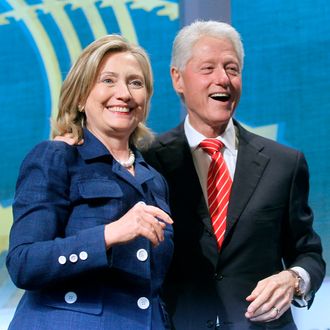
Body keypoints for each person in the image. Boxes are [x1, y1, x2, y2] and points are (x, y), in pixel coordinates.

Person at [142, 20, 325, 329]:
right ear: (177, 79)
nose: (223, 79)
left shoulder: (284, 163)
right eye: (208, 68)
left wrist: (293, 279)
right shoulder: (148, 163)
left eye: (232, 68)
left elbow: (308, 253)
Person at [6, 34, 174, 330]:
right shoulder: (56, 156)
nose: (123, 93)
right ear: (81, 96)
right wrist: (108, 235)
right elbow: (23, 263)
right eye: (108, 80)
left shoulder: (155, 181)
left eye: (136, 83)